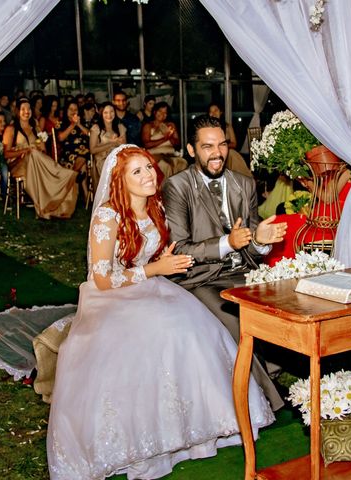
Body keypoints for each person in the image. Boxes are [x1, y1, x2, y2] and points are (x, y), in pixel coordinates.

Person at [46, 144, 274, 479]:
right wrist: (155, 270)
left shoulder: (155, 208)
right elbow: (102, 278)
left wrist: (161, 264)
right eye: (136, 171)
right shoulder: (108, 216)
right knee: (162, 330)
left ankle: (200, 427)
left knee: (196, 326)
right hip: (110, 297)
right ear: (120, 180)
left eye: (149, 167)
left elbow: (149, 259)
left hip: (148, 286)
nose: (148, 175)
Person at [162, 115, 288, 411]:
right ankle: (274, 399)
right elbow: (180, 247)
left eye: (221, 145)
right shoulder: (178, 187)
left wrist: (260, 240)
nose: (217, 153)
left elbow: (254, 248)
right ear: (192, 151)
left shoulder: (244, 184)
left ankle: (277, 369)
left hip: (245, 273)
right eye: (207, 147)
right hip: (201, 278)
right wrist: (226, 244)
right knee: (236, 321)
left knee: (280, 307)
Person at [2, 97, 78, 219]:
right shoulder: (11, 129)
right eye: (23, 109)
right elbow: (6, 154)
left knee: (36, 154)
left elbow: (43, 150)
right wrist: (25, 150)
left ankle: (54, 193)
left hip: (35, 163)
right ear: (17, 111)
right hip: (18, 164)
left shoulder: (35, 128)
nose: (26, 112)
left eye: (28, 109)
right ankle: (60, 173)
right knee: (33, 154)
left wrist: (37, 148)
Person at [141, 101, 186, 178]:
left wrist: (170, 138)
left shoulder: (170, 125)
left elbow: (177, 142)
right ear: (155, 112)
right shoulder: (148, 126)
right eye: (160, 111)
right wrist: (165, 139)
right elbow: (147, 144)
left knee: (183, 163)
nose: (162, 114)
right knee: (165, 166)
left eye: (165, 112)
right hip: (155, 155)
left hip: (170, 154)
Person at [89, 101, 127, 192]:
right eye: (106, 112)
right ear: (101, 113)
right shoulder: (96, 128)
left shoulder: (120, 127)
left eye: (111, 112)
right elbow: (93, 150)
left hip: (118, 158)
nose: (109, 115)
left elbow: (124, 147)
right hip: (102, 159)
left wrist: (119, 144)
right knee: (112, 168)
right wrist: (112, 143)